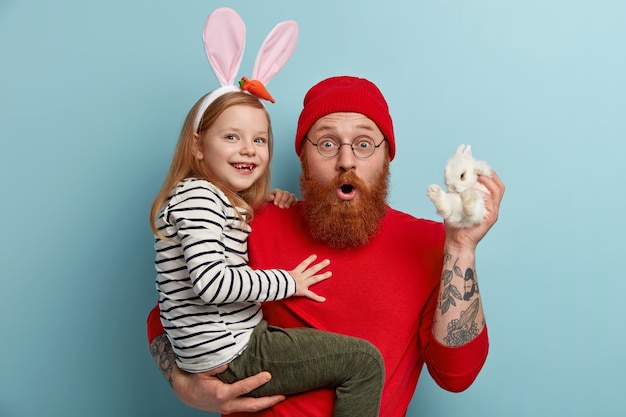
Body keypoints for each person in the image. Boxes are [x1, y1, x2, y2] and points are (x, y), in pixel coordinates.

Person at [147, 75, 506, 417]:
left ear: (386, 158)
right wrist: (186, 385)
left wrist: (461, 248)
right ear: (302, 155)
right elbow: (169, 312)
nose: (346, 160)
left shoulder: (430, 243)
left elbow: (457, 375)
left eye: (364, 144)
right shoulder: (253, 220)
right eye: (327, 143)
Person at [149, 86, 386, 417]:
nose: (248, 150)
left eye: (259, 140)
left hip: (219, 346)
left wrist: (265, 199)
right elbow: (211, 283)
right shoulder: (198, 198)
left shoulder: (211, 199)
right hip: (235, 349)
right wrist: (288, 281)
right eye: (232, 137)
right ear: (197, 145)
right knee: (364, 362)